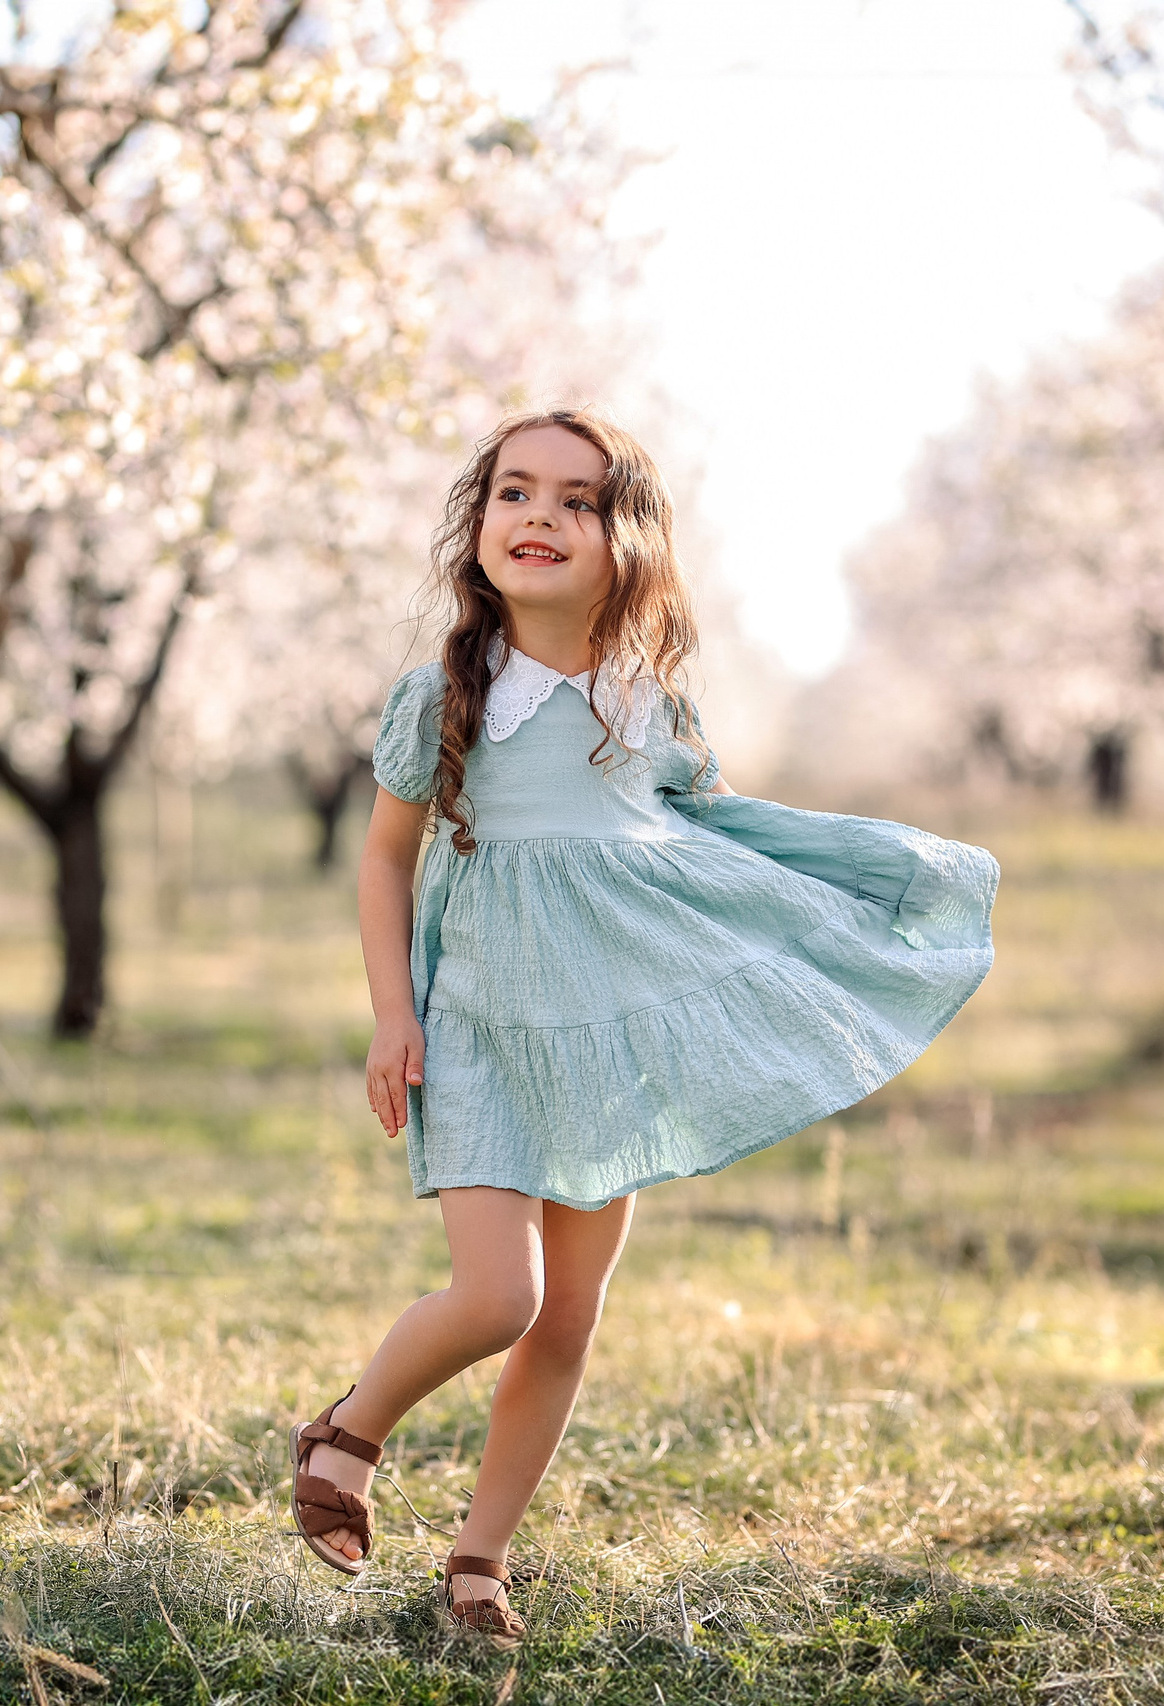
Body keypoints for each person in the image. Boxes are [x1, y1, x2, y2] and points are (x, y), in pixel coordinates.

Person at [288, 409, 998, 1646]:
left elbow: (710, 839)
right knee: (498, 1293)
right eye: (514, 493)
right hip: (480, 1031)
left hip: (607, 1043)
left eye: (574, 499)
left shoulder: (645, 703)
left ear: (626, 540)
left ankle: (479, 1556)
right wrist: (391, 1014)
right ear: (479, 528)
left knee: (567, 1315)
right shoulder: (442, 699)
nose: (539, 518)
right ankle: (349, 1427)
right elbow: (384, 865)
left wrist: (851, 882)